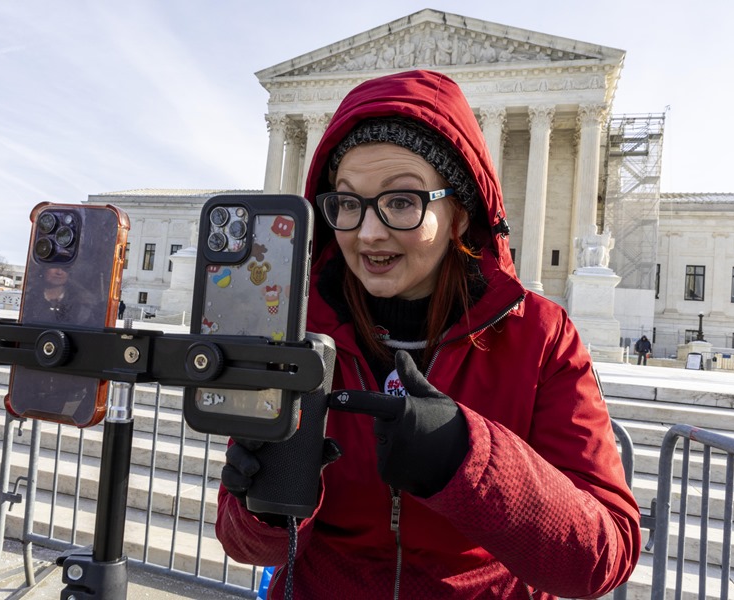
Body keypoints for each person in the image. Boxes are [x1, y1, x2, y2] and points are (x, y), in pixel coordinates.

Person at [216, 70, 640, 599]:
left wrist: (470, 458)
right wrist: (265, 509)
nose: (368, 232)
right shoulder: (296, 336)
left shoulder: (539, 338)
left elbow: (604, 556)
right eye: (348, 203)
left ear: (460, 213)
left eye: (401, 201)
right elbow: (245, 546)